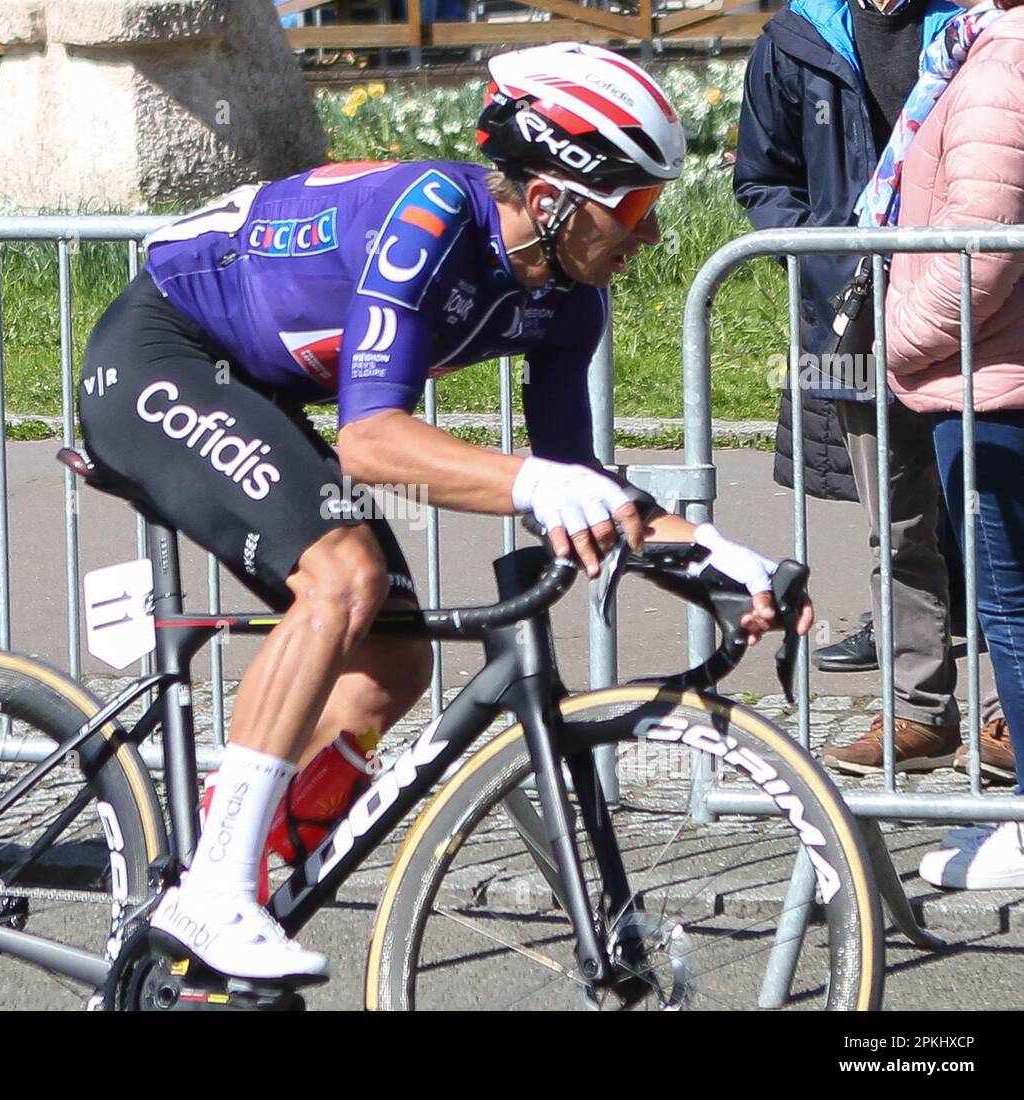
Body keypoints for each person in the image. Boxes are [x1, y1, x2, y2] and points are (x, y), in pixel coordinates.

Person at [78, 42, 813, 981]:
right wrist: (536, 480)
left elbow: (573, 483)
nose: (651, 236)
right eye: (634, 207)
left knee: (391, 662)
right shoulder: (427, 216)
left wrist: (713, 553)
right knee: (344, 576)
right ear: (553, 195)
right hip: (160, 354)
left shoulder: (567, 302)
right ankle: (211, 894)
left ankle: (240, 869)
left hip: (264, 391)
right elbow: (371, 443)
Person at [733, 0, 1009, 779]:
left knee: (1002, 525)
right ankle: (921, 714)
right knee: (897, 526)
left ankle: (1011, 715)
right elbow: (763, 177)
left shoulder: (972, 24)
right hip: (854, 315)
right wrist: (831, 254)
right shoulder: (797, 37)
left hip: (971, 304)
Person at [864, 0, 1024, 886]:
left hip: (993, 385)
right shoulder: (983, 51)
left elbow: (981, 253)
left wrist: (895, 337)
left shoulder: (1002, 65)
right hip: (996, 373)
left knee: (1012, 611)